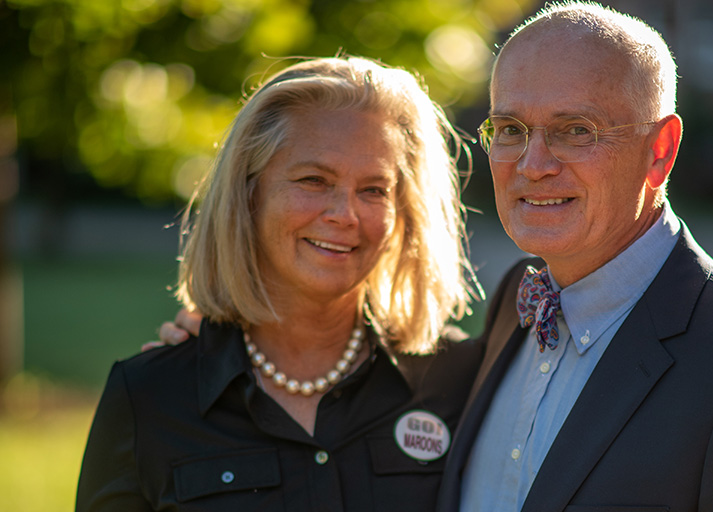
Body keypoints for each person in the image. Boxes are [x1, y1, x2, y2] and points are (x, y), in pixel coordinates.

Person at [434, 2, 713, 511]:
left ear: (660, 150)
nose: (533, 164)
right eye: (511, 129)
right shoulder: (514, 302)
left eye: (575, 130)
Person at [76, 55, 484, 511]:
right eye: (313, 179)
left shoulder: (461, 381)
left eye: (373, 190)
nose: (344, 215)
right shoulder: (149, 397)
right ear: (249, 192)